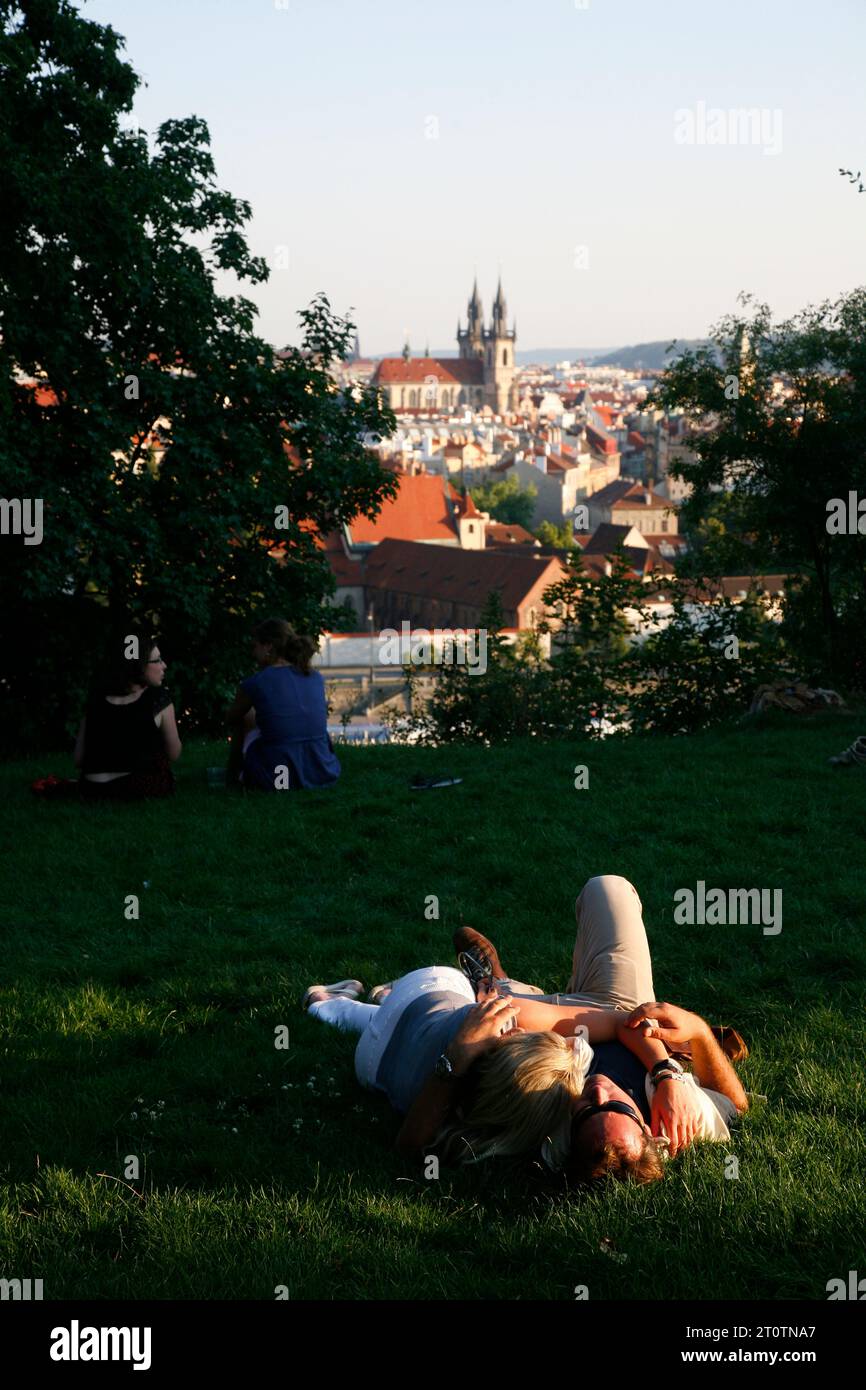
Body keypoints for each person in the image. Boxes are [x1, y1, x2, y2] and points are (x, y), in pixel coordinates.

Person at [454, 874, 750, 1183]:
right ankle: (502, 986)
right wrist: (694, 1040)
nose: (597, 1090)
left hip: (545, 1029)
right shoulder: (675, 1117)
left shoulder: (545, 1129)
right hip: (617, 1005)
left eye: (586, 1111)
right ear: (647, 1130)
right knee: (607, 888)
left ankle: (494, 976)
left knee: (484, 1004)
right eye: (616, 1105)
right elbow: (736, 1105)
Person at [302, 954, 692, 1167]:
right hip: (369, 1065)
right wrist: (667, 1073)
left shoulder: (498, 1021)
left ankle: (369, 998)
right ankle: (328, 1005)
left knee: (456, 994)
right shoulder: (489, 1125)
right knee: (382, 1023)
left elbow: (621, 1020)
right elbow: (407, 1146)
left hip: (426, 992)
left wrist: (458, 1051)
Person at [226, 618, 340, 791]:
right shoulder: (315, 677)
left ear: (268, 646)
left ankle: (234, 776)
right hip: (322, 773)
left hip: (279, 781)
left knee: (247, 717)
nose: (253, 653)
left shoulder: (256, 682)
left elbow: (230, 718)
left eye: (255, 646)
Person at [73, 634, 181, 800]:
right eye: (157, 660)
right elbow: (173, 753)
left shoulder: (96, 700)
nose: (164, 665)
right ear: (139, 666)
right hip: (137, 787)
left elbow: (79, 759)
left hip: (92, 789)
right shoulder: (158, 698)